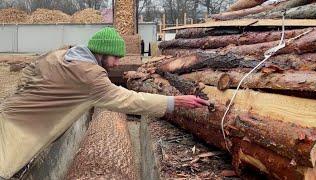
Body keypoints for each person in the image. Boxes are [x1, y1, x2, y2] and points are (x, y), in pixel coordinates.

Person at [0, 27, 209, 178]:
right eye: (115, 58)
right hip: (17, 131)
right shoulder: (90, 76)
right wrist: (173, 101)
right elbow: (130, 100)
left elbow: (29, 72)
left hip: (8, 114)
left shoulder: (61, 55)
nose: (118, 63)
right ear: (101, 52)